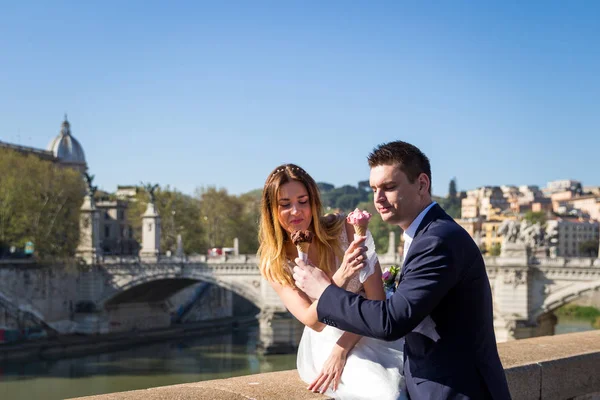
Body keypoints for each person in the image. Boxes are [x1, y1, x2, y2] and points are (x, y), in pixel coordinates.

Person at [293, 141, 512, 400]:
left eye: (389, 187)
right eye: (374, 189)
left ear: (421, 184)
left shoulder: (437, 240)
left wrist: (326, 290)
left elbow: (391, 322)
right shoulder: (425, 234)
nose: (378, 198)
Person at [258, 163, 407, 400]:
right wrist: (341, 276)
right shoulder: (274, 261)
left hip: (372, 323)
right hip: (327, 337)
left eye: (303, 201)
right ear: (271, 210)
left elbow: (377, 299)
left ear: (314, 202)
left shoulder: (347, 229)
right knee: (385, 393)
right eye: (285, 205)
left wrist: (342, 349)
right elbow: (312, 321)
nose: (296, 211)